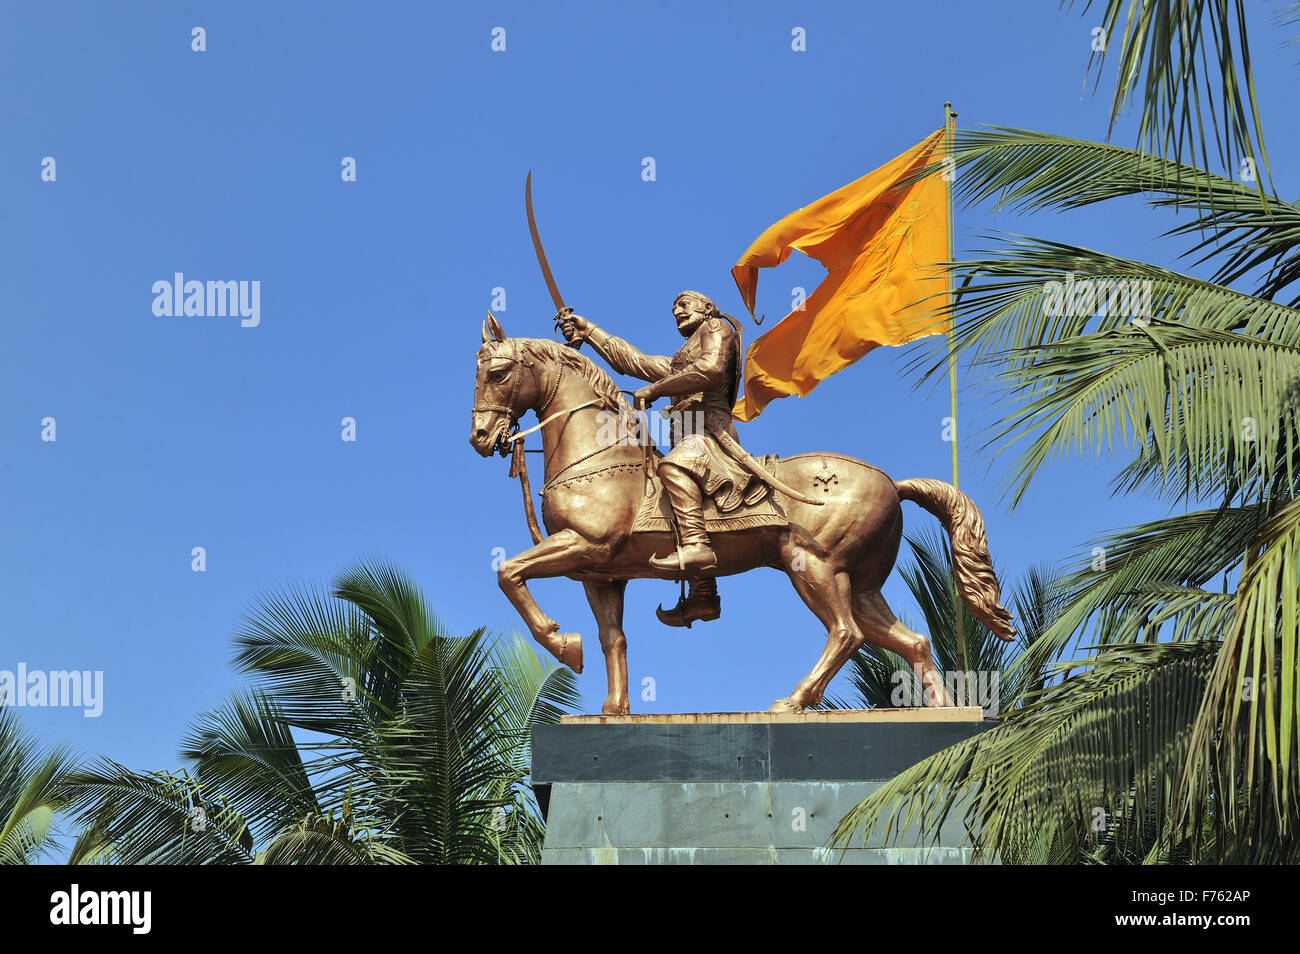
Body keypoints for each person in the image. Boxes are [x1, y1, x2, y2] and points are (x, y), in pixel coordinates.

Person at [560, 291, 764, 627]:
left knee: (672, 466)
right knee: (661, 487)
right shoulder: (678, 362)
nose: (676, 311)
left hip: (708, 431)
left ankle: (697, 546)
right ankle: (703, 594)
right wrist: (588, 329)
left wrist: (656, 390)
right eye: (673, 308)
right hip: (688, 434)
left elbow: (710, 369)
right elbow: (633, 361)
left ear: (708, 308)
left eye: (684, 304)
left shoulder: (717, 328)